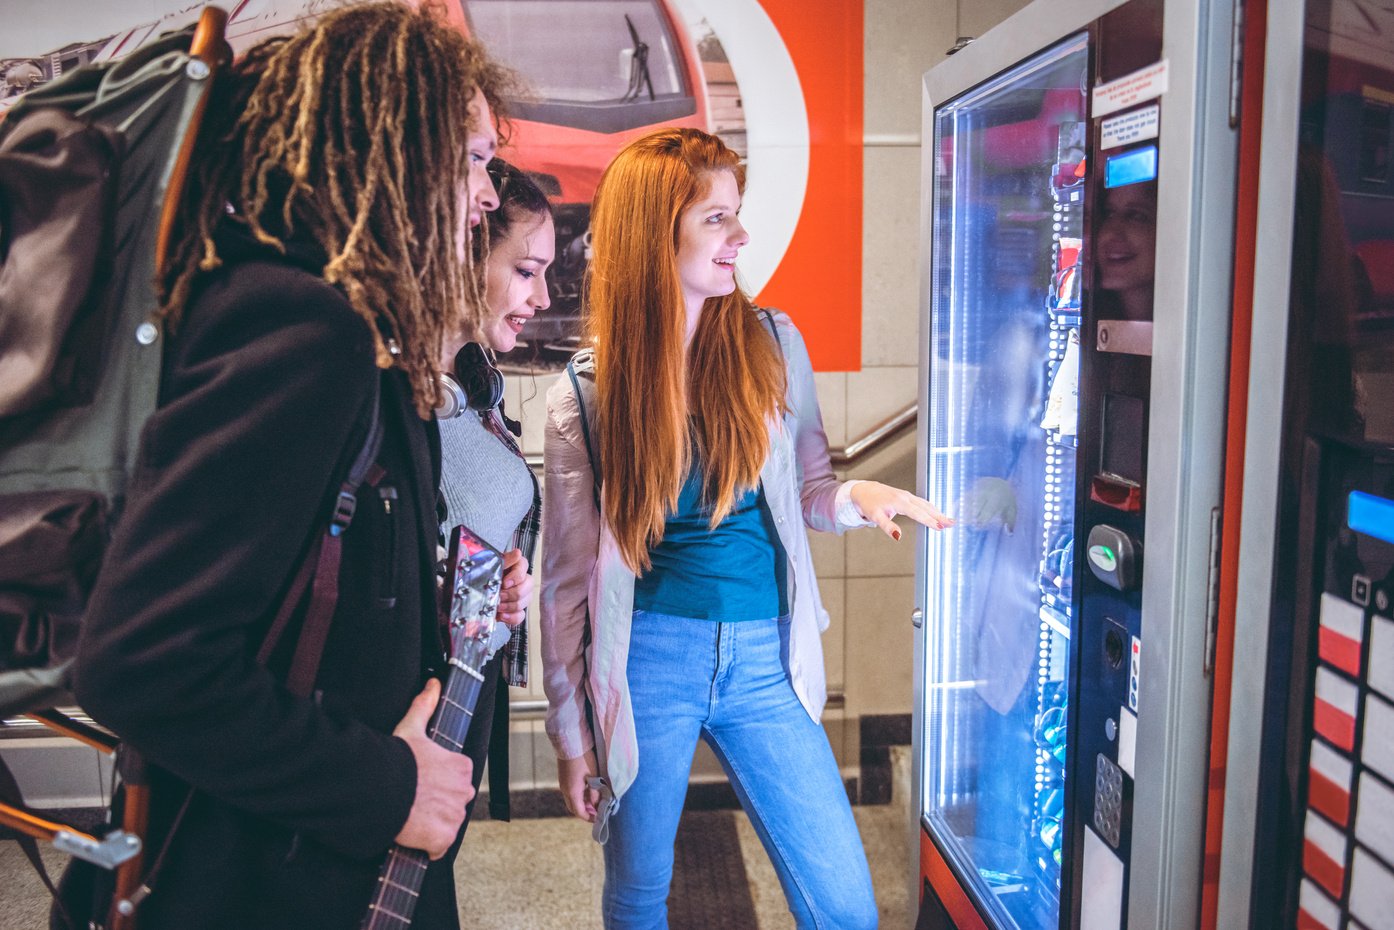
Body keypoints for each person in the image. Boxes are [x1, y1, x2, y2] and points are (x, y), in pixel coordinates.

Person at [72, 6, 508, 928]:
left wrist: (433, 592)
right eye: (472, 159)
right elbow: (142, 664)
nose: (487, 194)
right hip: (264, 883)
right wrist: (388, 787)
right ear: (397, 151)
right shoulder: (305, 330)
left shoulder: (354, 328)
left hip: (322, 866)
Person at [540, 127, 953, 930]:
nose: (741, 237)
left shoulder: (773, 344)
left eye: (738, 215)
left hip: (766, 662)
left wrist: (857, 495)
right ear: (655, 236)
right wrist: (569, 736)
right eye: (716, 219)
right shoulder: (584, 397)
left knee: (845, 908)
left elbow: (809, 490)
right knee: (637, 897)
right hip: (649, 663)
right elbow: (562, 591)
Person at [435, 158, 553, 842]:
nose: (539, 299)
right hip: (415, 701)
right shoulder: (406, 400)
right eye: (525, 270)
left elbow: (457, 549)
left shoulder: (474, 384)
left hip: (465, 678)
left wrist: (502, 592)